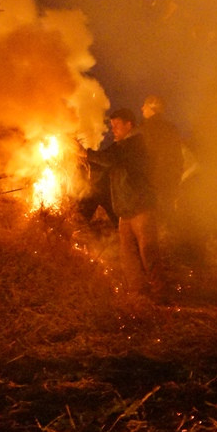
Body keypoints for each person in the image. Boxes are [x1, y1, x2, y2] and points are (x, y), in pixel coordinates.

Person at [81, 108, 160, 295]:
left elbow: (109, 158)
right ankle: (138, 292)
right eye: (112, 125)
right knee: (128, 256)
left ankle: (160, 293)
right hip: (125, 210)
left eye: (117, 125)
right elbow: (105, 159)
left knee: (148, 253)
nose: (113, 129)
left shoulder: (134, 144)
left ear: (129, 125)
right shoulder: (121, 146)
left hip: (141, 208)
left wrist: (85, 153)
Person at [139, 94, 184, 240]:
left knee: (150, 221)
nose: (142, 108)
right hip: (168, 182)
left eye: (145, 105)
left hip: (149, 183)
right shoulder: (171, 129)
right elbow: (178, 158)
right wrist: (175, 179)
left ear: (152, 108)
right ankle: (173, 245)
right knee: (167, 216)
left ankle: (157, 249)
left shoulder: (143, 129)